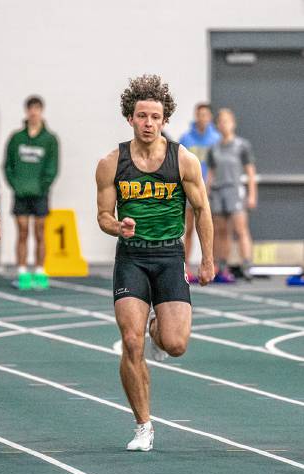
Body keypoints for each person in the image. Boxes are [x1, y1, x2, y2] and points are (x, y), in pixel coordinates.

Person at [95, 74, 213, 452]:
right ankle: (143, 425)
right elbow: (102, 215)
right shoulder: (112, 162)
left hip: (169, 255)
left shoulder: (184, 160)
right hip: (132, 257)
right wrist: (118, 226)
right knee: (130, 342)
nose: (148, 123)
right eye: (141, 116)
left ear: (165, 120)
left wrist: (207, 259)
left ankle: (156, 328)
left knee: (175, 344)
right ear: (129, 118)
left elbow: (202, 209)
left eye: (155, 117)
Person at [4, 95, 59, 289]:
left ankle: (40, 271)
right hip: (20, 193)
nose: (34, 112)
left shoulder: (50, 139)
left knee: (40, 232)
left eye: (37, 108)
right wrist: (16, 185)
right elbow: (8, 166)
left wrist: (42, 186)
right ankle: (22, 272)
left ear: (41, 111)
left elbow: (53, 168)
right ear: (26, 111)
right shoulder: (16, 138)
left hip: (40, 194)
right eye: (31, 108)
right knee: (22, 232)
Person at [207, 108, 257, 282]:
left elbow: (250, 172)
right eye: (220, 121)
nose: (224, 124)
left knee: (241, 229)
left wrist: (252, 195)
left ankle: (247, 266)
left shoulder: (242, 145)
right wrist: (207, 192)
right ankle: (222, 266)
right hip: (218, 192)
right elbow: (211, 173)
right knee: (221, 231)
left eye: (227, 121)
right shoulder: (214, 148)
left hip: (235, 191)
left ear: (233, 123)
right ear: (217, 126)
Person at [178, 103, 220, 281]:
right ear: (196, 115)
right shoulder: (186, 138)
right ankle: (184, 265)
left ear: (210, 117)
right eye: (200, 114)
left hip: (212, 189)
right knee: (188, 229)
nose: (202, 117)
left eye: (206, 114)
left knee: (211, 228)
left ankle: (212, 264)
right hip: (190, 188)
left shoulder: (216, 139)